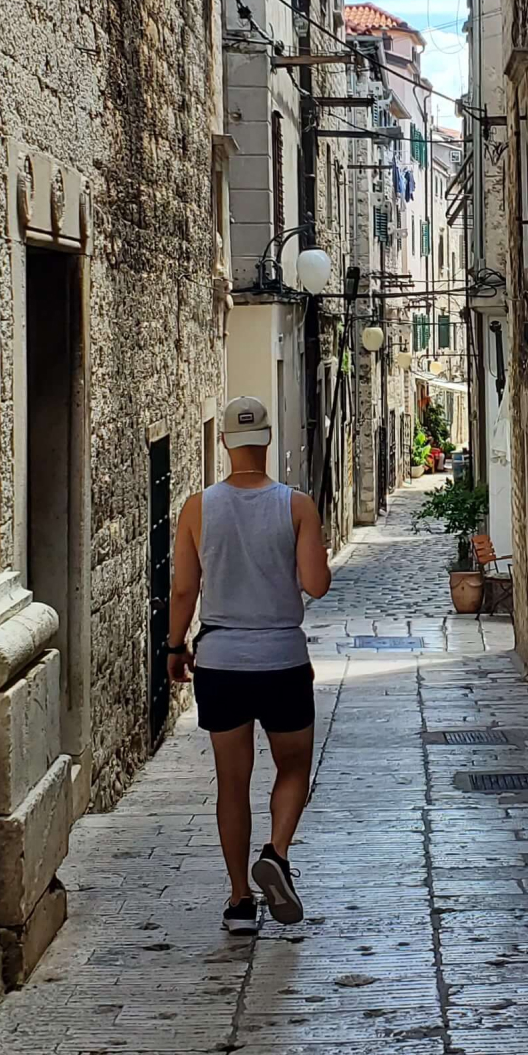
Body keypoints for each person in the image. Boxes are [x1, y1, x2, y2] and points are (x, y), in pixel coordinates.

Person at [165, 396, 332, 935]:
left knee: (231, 785)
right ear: (266, 440)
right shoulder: (297, 504)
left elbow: (185, 588)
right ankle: (276, 855)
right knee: (293, 769)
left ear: (224, 445)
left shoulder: (197, 508)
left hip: (219, 661)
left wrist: (174, 647)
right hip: (281, 659)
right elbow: (316, 585)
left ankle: (239, 901)